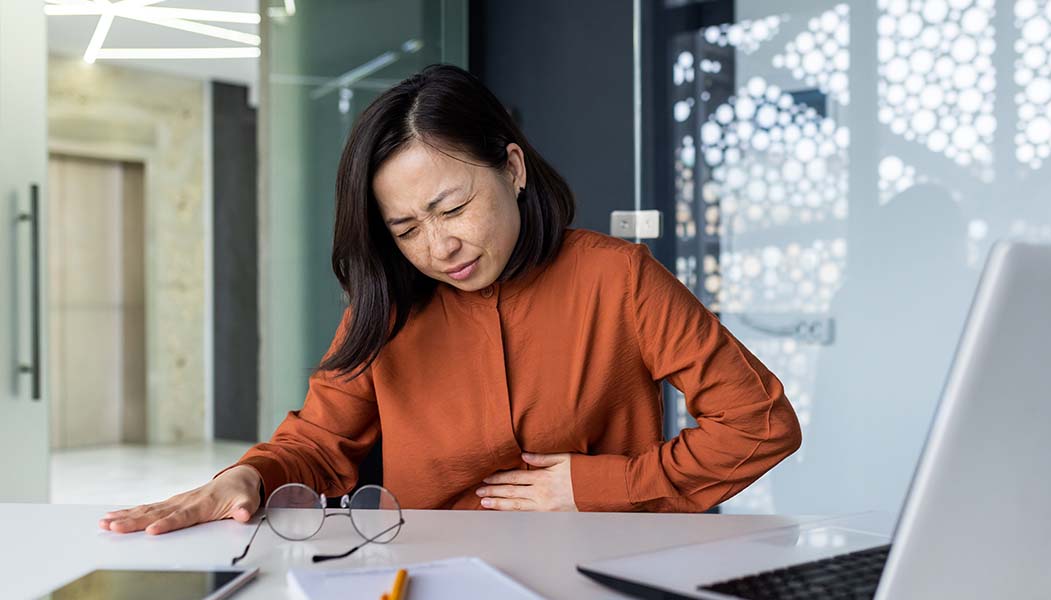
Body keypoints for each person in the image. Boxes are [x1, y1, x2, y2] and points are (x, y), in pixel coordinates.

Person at [98, 64, 802, 536]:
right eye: (405, 228)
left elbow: (759, 424)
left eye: (453, 207)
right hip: (428, 572)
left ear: (513, 168)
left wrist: (605, 486)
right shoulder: (389, 304)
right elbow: (318, 443)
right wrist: (250, 474)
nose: (439, 247)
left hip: (597, 563)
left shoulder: (617, 280)